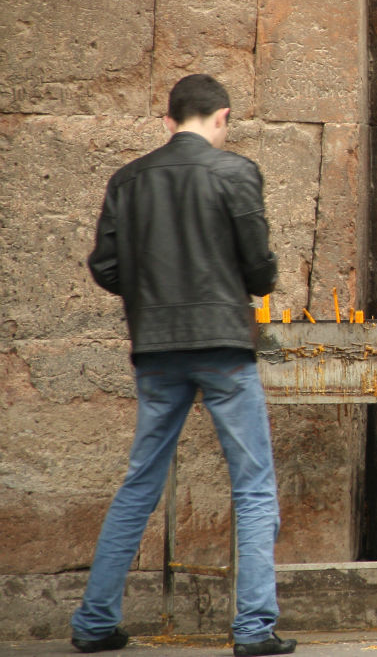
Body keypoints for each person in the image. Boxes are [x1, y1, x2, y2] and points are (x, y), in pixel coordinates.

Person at [73, 75, 296, 655]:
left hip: (156, 349)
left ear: (169, 121)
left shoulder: (128, 179)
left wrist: (150, 295)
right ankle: (252, 629)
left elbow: (105, 265)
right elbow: (260, 271)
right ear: (220, 117)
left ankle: (95, 621)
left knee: (139, 484)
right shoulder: (236, 173)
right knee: (252, 488)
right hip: (223, 346)